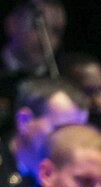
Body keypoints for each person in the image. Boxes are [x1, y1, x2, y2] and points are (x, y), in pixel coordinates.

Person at [0, 77, 89, 187]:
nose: (70, 144)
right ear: (24, 120)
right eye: (60, 130)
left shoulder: (73, 179)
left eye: (76, 134)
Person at [0, 0, 66, 128]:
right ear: (12, 24)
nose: (46, 38)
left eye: (56, 31)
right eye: (36, 26)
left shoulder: (62, 79)